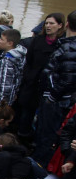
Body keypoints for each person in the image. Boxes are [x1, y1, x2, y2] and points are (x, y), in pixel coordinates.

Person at [32, 10, 76, 166]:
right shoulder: (65, 45)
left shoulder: (68, 48)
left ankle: (39, 166)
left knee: (47, 136)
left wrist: (51, 96)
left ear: (67, 25)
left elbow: (68, 79)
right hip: (66, 101)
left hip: (57, 103)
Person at [16, 13, 66, 138]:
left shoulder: (62, 44)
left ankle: (36, 138)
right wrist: (28, 78)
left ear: (60, 25)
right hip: (32, 84)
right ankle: (22, 135)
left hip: (49, 87)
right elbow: (29, 61)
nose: (48, 26)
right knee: (26, 113)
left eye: (52, 23)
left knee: (44, 116)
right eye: (46, 23)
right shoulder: (37, 41)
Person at [0, 28, 27, 113]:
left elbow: (5, 88)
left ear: (10, 43)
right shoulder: (20, 57)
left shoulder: (7, 62)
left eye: (1, 39)